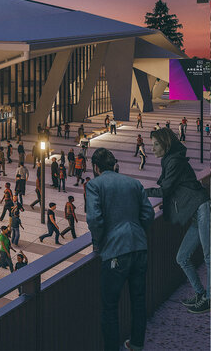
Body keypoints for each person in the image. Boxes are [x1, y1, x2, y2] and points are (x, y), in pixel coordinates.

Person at [85, 148, 154, 350]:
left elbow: (94, 219)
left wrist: (99, 242)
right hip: (139, 247)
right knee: (139, 300)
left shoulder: (94, 185)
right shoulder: (134, 183)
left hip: (115, 252)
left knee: (110, 307)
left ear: (96, 167)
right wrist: (137, 233)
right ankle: (136, 344)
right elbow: (148, 214)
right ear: (113, 164)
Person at [144, 128, 210, 313]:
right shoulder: (171, 159)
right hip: (195, 211)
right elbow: (175, 188)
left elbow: (165, 190)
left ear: (165, 143)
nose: (153, 149)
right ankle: (201, 293)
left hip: (202, 207)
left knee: (208, 256)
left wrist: (141, 191)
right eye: (152, 145)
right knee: (182, 257)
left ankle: (208, 299)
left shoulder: (174, 161)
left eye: (156, 144)